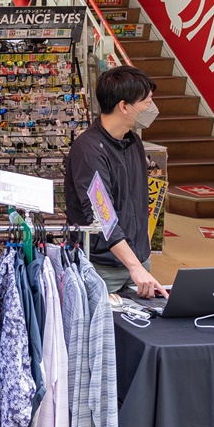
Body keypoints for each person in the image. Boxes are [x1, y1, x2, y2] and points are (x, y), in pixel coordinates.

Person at [64, 65, 163, 299]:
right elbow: (102, 216)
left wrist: (141, 256)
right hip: (103, 267)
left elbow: (137, 201)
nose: (152, 108)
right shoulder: (89, 150)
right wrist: (134, 266)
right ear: (124, 106)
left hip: (137, 262)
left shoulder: (133, 142)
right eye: (147, 102)